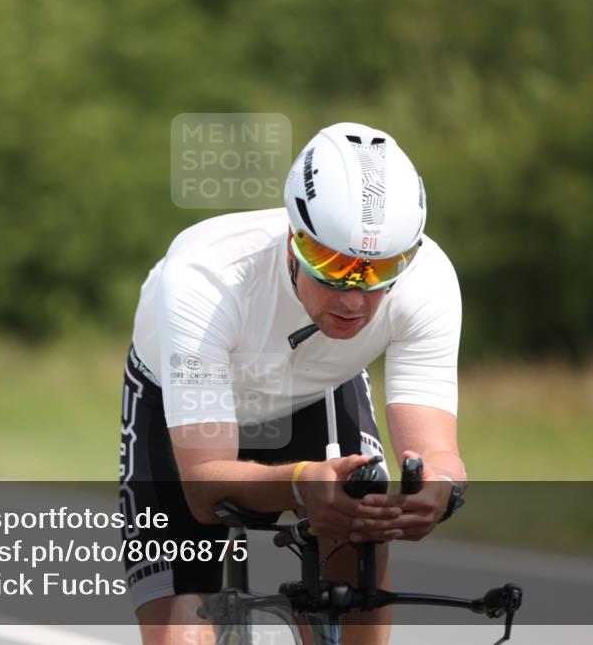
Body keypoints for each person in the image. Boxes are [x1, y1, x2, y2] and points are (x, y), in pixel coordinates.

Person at [119, 122, 467, 645]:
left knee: (362, 530)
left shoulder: (429, 279)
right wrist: (302, 480)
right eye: (331, 264)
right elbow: (203, 487)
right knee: (180, 628)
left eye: (378, 272)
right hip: (183, 398)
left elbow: (437, 450)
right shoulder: (205, 275)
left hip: (316, 389)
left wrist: (437, 489)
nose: (354, 299)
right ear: (294, 238)